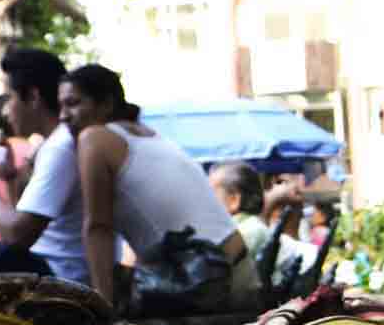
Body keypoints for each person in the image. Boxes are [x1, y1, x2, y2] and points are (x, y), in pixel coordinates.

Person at [60, 66, 257, 312]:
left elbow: (98, 227)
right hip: (238, 268)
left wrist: (104, 306)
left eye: (73, 104)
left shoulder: (94, 138)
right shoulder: (149, 136)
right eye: (61, 106)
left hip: (205, 278)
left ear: (106, 104)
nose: (63, 115)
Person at [0, 44, 109, 286]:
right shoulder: (51, 144)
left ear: (32, 97)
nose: (6, 109)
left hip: (58, 274)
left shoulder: (60, 147)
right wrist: (10, 176)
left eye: (10, 97)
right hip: (45, 265)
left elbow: (16, 236)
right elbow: (15, 222)